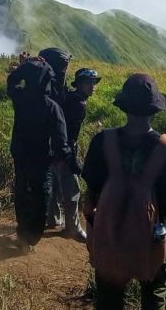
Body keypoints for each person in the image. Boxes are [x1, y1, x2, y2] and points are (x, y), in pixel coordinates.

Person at [82, 73, 166, 310]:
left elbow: (89, 198)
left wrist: (97, 231)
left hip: (110, 237)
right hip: (154, 241)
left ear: (124, 107)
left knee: (109, 300)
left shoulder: (103, 141)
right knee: (154, 297)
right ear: (155, 109)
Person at [7, 59, 69, 251]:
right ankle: (31, 238)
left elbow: (11, 82)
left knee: (22, 193)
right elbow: (60, 138)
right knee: (41, 197)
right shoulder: (51, 106)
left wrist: (24, 68)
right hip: (42, 161)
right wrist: (64, 158)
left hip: (21, 157)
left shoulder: (20, 98)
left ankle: (23, 233)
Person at [49, 67, 101, 241]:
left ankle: (53, 219)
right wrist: (71, 158)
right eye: (88, 83)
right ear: (79, 84)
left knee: (55, 187)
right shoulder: (78, 104)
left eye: (94, 83)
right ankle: (73, 229)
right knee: (73, 191)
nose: (92, 86)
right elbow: (69, 134)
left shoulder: (69, 97)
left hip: (51, 147)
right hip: (63, 149)